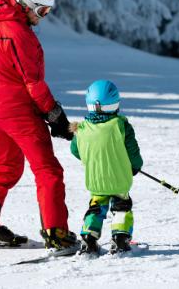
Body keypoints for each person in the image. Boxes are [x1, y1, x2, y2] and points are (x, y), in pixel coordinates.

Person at [0, 0, 78, 250]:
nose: (44, 16)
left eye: (48, 11)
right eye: (42, 10)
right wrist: (55, 116)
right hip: (17, 112)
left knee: (7, 167)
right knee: (48, 170)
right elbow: (34, 84)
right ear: (26, 4)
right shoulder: (18, 34)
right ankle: (56, 232)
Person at [70, 79, 143, 254]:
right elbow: (132, 151)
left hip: (96, 179)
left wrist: (94, 158)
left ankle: (89, 236)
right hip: (119, 179)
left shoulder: (81, 129)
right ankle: (120, 237)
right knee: (121, 206)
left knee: (96, 206)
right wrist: (135, 166)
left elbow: (75, 150)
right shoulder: (120, 125)